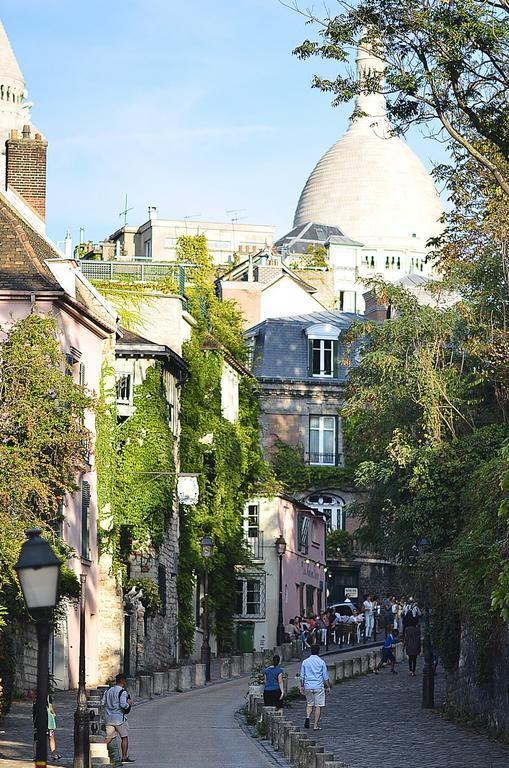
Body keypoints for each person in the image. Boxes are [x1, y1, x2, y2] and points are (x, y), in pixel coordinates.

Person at [101, 672, 135, 763]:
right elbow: (123, 705)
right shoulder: (122, 692)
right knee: (124, 737)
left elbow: (102, 703)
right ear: (123, 681)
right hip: (119, 719)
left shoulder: (108, 691)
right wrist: (129, 704)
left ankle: (98, 750)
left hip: (109, 718)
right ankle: (124, 757)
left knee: (109, 738)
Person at [299, 644, 331, 731]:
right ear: (318, 651)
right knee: (318, 706)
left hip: (308, 686)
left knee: (309, 704)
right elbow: (325, 676)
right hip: (318, 686)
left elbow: (302, 676)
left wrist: (302, 686)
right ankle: (315, 725)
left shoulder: (305, 662)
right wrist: (328, 687)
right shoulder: (321, 662)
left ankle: (308, 716)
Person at [33, 695, 61, 762]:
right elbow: (50, 708)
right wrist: (54, 713)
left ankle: (35, 755)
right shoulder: (48, 697)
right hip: (48, 722)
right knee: (51, 737)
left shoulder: (36, 698)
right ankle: (53, 754)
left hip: (38, 721)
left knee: (37, 739)